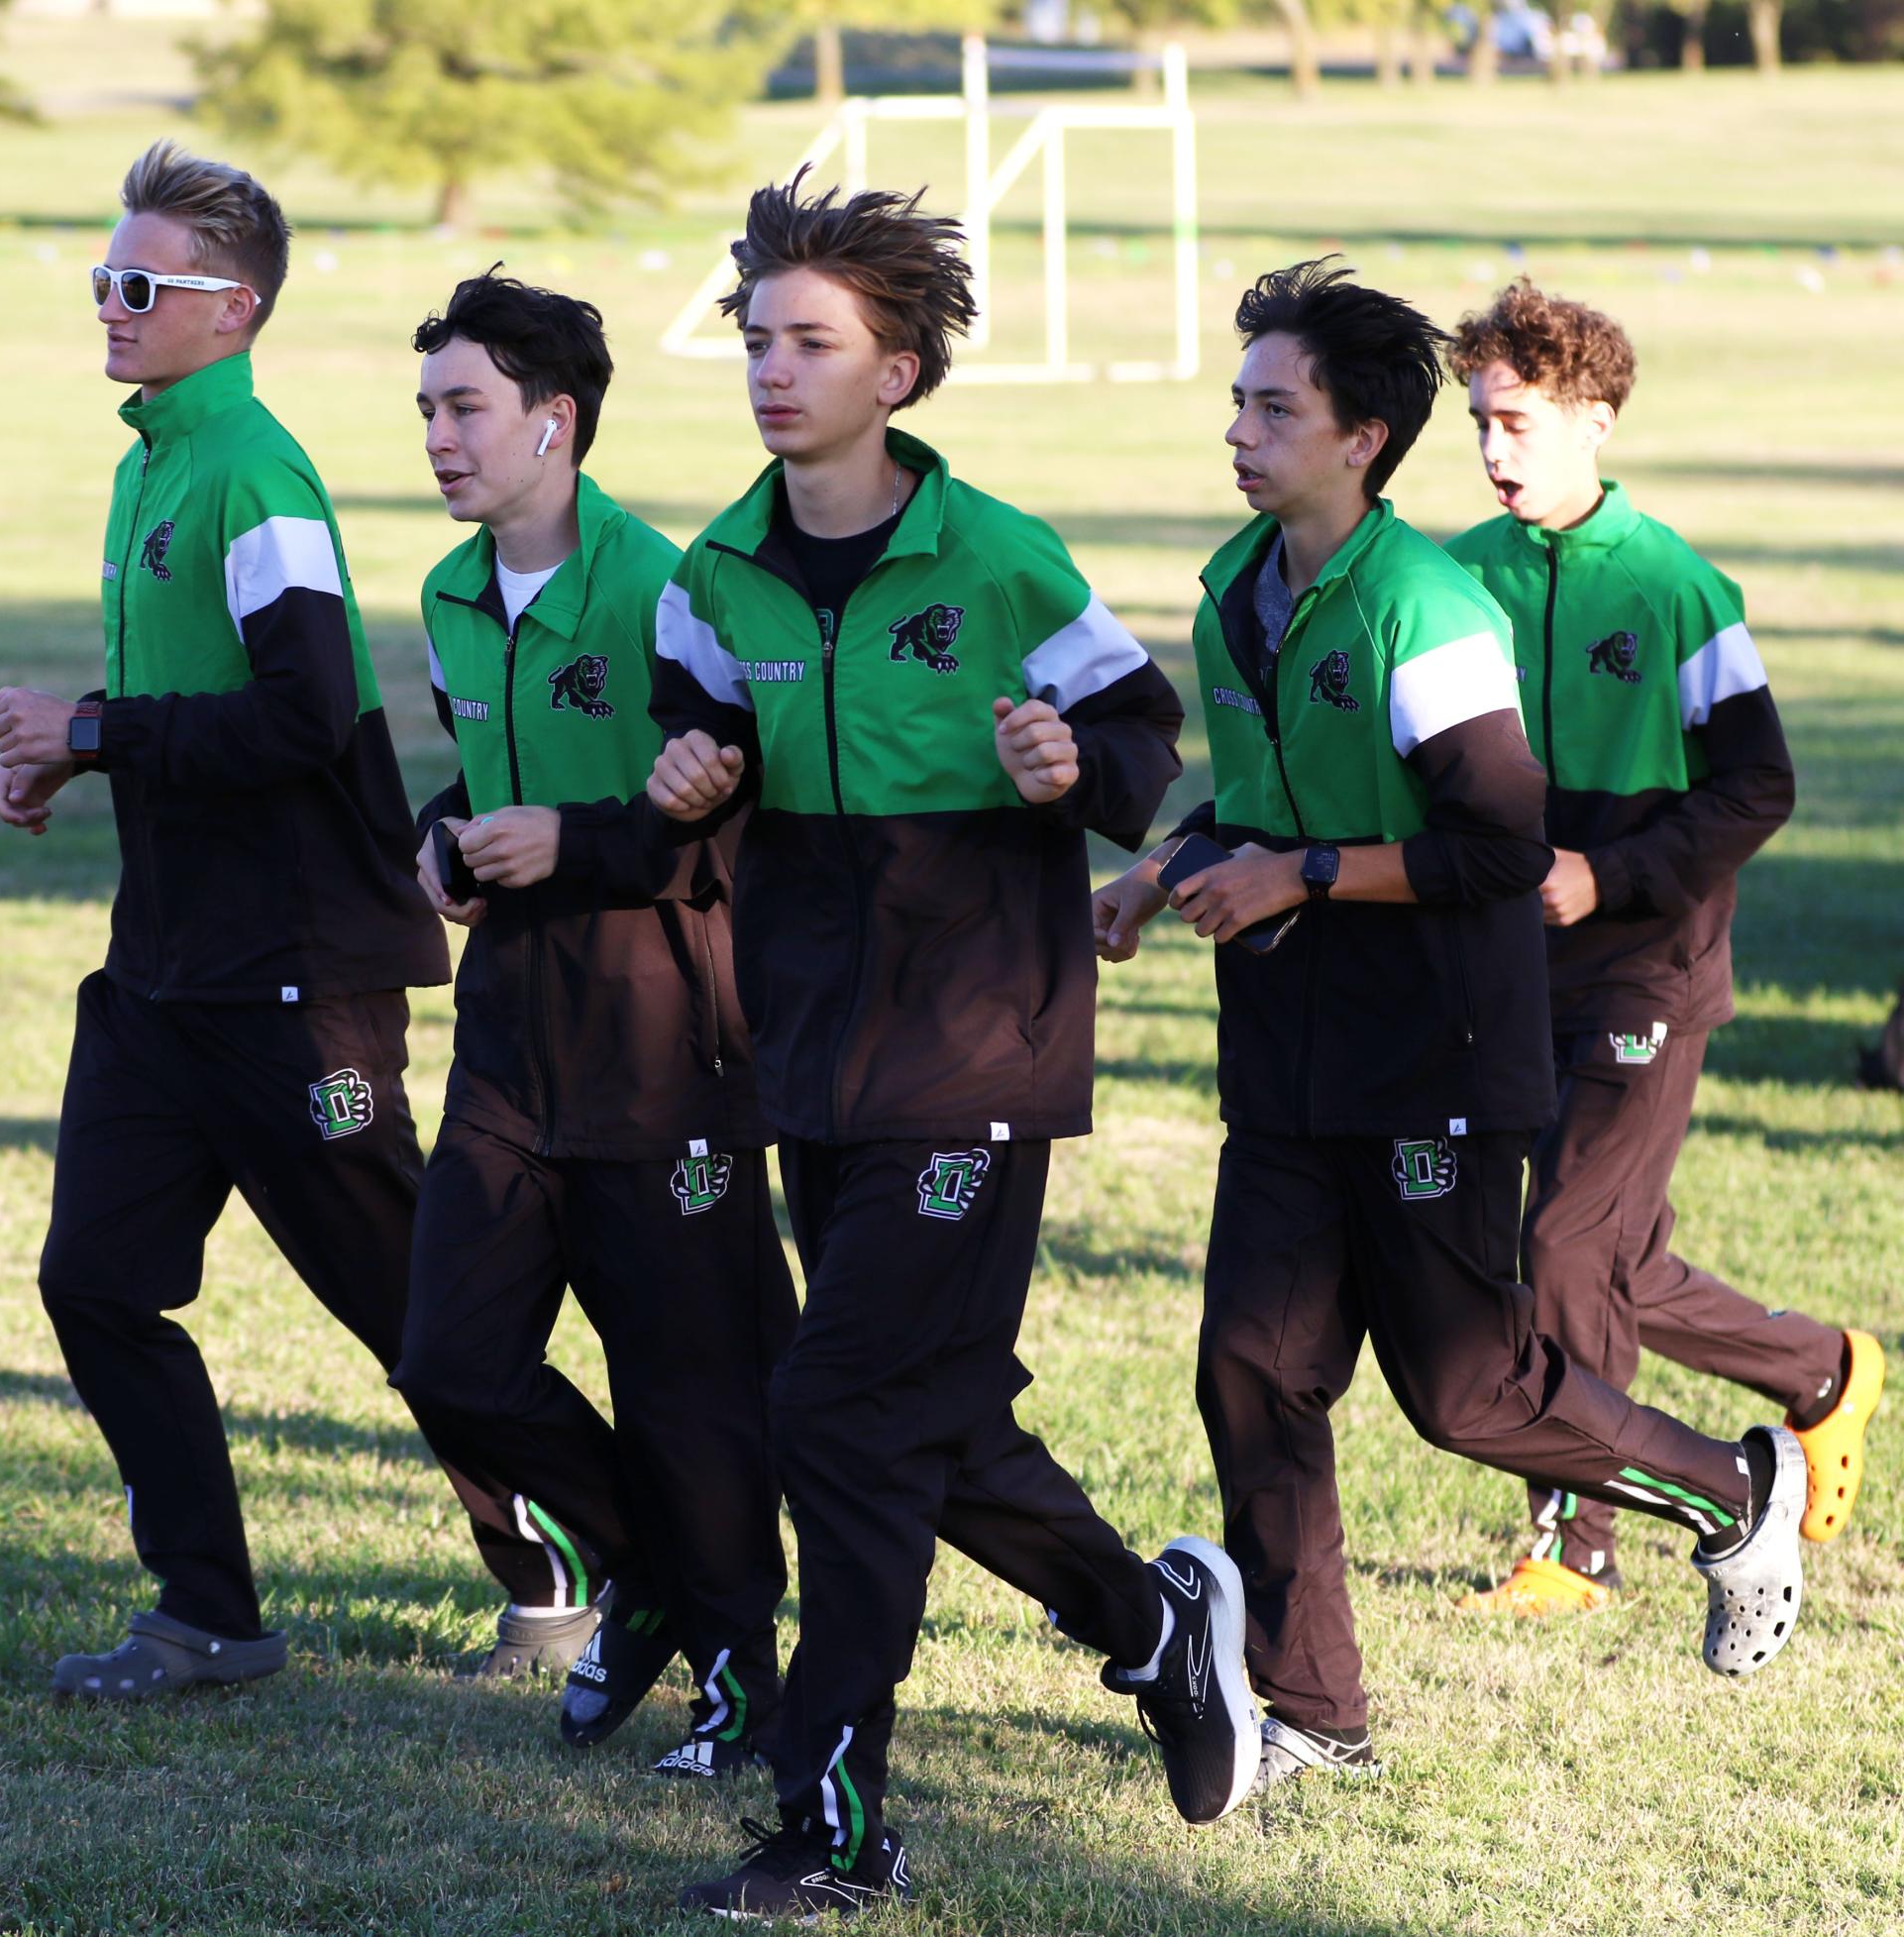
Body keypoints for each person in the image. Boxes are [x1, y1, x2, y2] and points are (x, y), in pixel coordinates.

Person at [1090, 259, 1809, 1792]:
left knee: (1468, 1391)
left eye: (1273, 407)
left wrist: (1295, 875)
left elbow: (1492, 847)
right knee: (1249, 1370)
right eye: (1237, 400)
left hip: (1433, 1052)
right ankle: (1311, 1708)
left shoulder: (1425, 603)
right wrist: (1165, 874)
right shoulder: (1235, 594)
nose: (1239, 429)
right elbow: (1272, 803)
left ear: (1358, 439)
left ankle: (1729, 1487)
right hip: (1284, 1050)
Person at [646, 173, 1250, 1920]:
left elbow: (1140, 742)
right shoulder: (718, 566)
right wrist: (693, 776)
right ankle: (1153, 1628)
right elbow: (695, 743)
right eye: (757, 338)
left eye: (810, 343)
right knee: (920, 1411)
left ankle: (832, 1823)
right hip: (806, 1048)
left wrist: (1070, 769)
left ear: (897, 372)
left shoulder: (994, 557)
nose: (772, 370)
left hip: (978, 1041)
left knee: (831, 1408)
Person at [0, 141, 483, 1698]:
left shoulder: (254, 471)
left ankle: (592, 1559)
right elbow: (185, 714)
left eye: (143, 287)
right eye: (102, 282)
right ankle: (205, 1612)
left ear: (235, 309)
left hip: (296, 982)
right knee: (95, 1283)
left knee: (403, 1301)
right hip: (164, 973)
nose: (113, 308)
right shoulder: (151, 462)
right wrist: (79, 758)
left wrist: (95, 731)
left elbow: (306, 713)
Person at [389, 269, 795, 1775]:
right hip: (505, 1042)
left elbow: (732, 824)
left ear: (553, 426)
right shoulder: (444, 594)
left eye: (464, 409)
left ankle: (741, 1677)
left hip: (664, 1042)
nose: (437, 438)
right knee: (449, 1358)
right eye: (428, 409)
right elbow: (480, 778)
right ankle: (657, 1583)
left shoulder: (668, 591)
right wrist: (441, 844)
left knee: (689, 1389)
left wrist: (573, 839)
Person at [1441, 278, 1881, 1614]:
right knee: (1608, 1262)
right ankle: (1819, 1371)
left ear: (1594, 419)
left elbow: (1756, 785)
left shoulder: (1676, 589)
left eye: (1515, 422)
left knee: (1567, 1247)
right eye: (1476, 425)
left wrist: (1609, 875)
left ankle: (1573, 1537)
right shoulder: (1453, 577)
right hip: (1509, 972)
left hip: (1649, 967)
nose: (1492, 450)